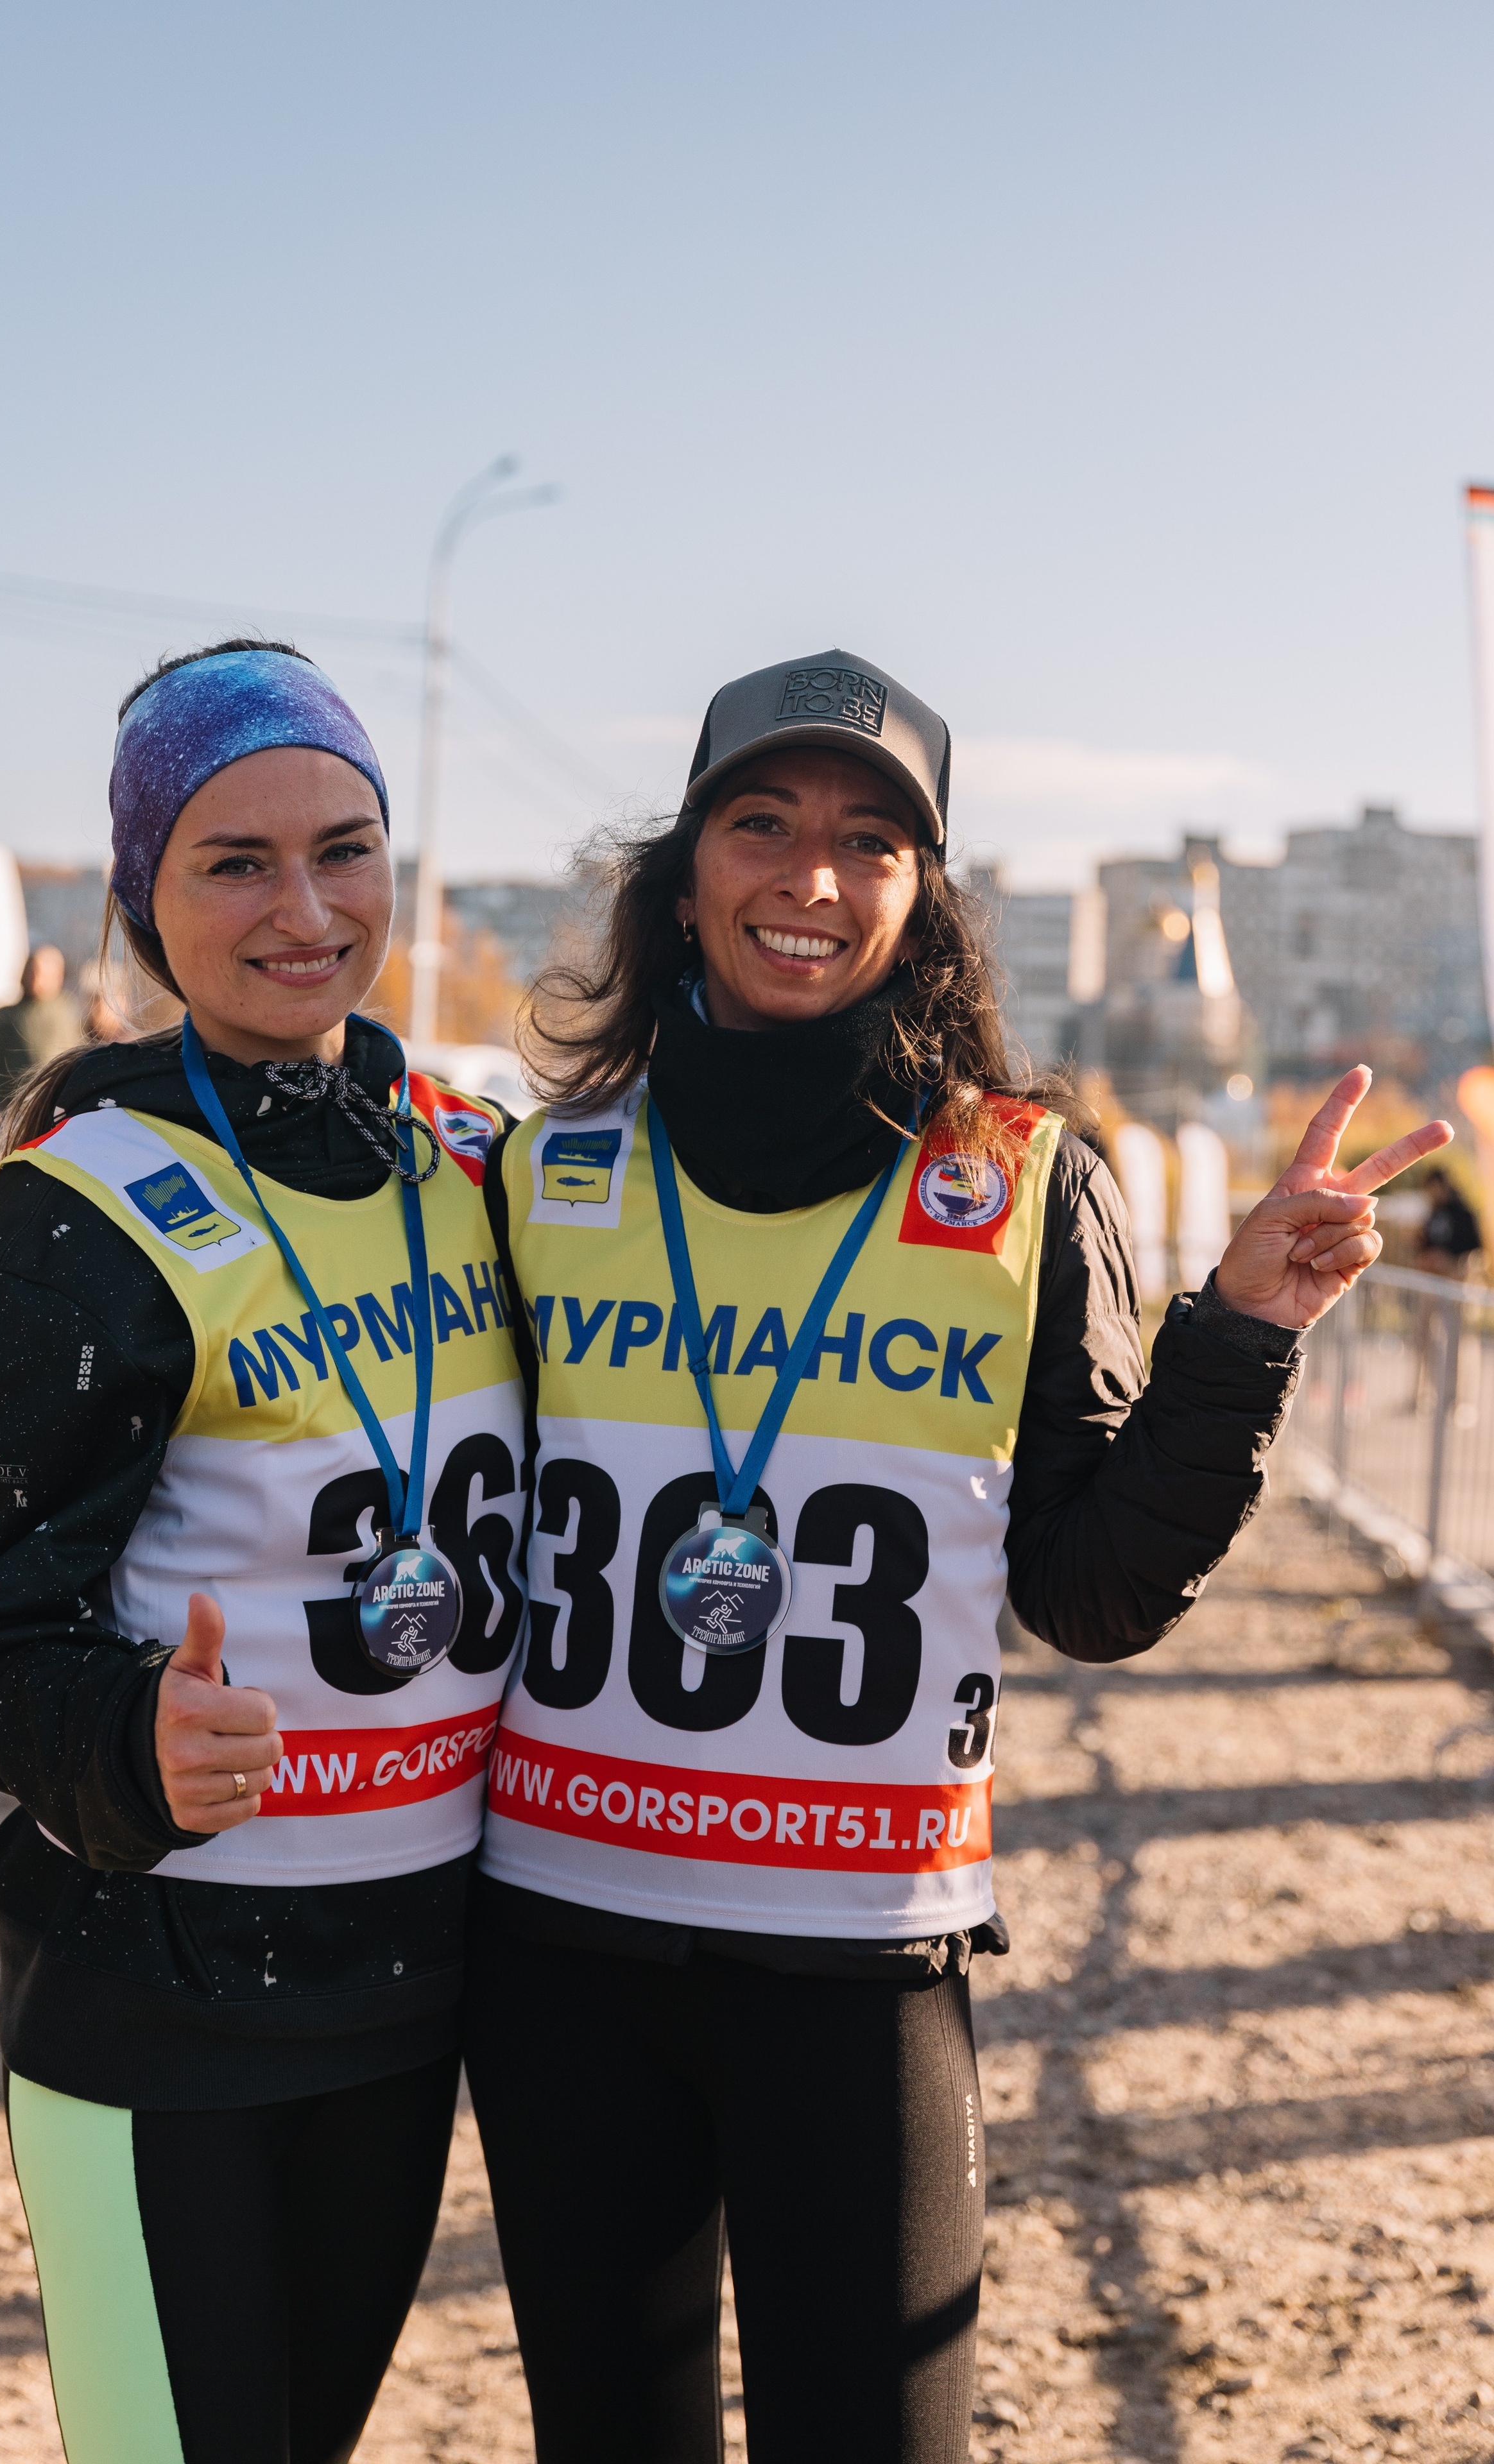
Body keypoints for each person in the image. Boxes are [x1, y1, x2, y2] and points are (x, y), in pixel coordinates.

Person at [462, 650, 1452, 2464]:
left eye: (870, 842)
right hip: (560, 1961)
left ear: (927, 902)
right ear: (683, 869)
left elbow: (1090, 1593)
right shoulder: (545, 1173)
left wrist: (1239, 1331)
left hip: (857, 1965)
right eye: (761, 825)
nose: (811, 880)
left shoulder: (1013, 1183)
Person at [0, 643, 528, 2464]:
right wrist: (127, 1745)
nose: (306, 909)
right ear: (143, 902)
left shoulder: (468, 1167)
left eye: (346, 850)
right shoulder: (73, 1208)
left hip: (407, 1992)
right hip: (146, 2004)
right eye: (234, 863)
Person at [0, 943, 83, 1108]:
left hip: (60, 1103)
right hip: (16, 1104)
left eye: (48, 974)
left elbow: (79, 1055)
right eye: (35, 972)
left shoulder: (69, 1013)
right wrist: (1, 1098)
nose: (39, 979)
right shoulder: (4, 1017)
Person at [1416, 1164, 1481, 1276]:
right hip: (1432, 1277)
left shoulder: (1464, 1215)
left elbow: (1474, 1250)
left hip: (1456, 1276)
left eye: (1435, 1187)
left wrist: (1450, 1261)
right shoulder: (1433, 1214)